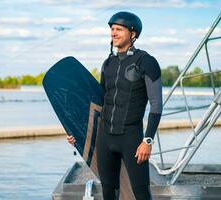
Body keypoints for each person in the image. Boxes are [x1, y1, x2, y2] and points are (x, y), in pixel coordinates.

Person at [67, 11, 162, 200]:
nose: (113, 33)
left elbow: (156, 104)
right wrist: (77, 131)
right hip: (105, 138)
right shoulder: (107, 64)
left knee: (141, 191)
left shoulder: (147, 62)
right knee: (109, 190)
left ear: (132, 33)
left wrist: (148, 140)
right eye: (112, 29)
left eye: (119, 29)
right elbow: (100, 103)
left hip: (132, 138)